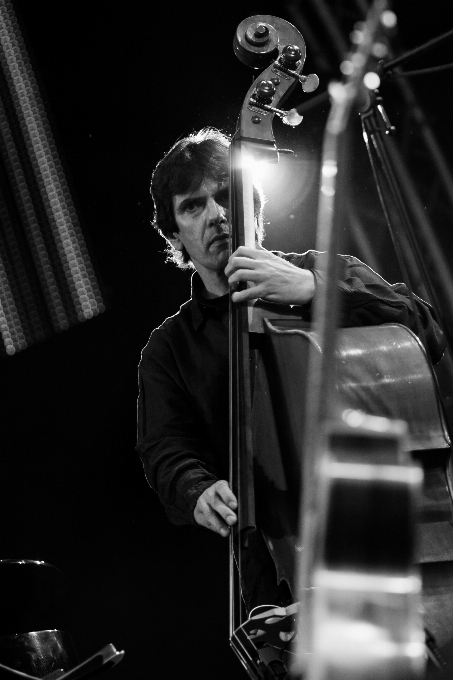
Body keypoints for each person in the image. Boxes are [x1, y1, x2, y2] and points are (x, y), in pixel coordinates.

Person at [136, 127, 445, 611]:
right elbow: (165, 448)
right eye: (193, 206)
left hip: (391, 528)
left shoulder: (321, 270)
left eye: (225, 195)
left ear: (252, 203)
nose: (217, 214)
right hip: (279, 565)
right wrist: (197, 487)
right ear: (174, 233)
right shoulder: (169, 350)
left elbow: (424, 331)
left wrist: (314, 291)